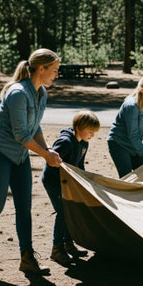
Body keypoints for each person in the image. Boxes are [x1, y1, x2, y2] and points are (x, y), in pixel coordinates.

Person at [0, 48, 62, 279]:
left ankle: (27, 258)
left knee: (24, 208)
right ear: (42, 68)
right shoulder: (18, 92)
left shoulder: (41, 93)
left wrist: (48, 150)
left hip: (20, 156)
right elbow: (21, 134)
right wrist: (45, 156)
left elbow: (35, 128)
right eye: (55, 70)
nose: (56, 75)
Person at [41, 110, 100, 265]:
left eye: (94, 132)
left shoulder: (84, 143)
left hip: (68, 182)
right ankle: (56, 248)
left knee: (70, 210)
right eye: (90, 132)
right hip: (54, 182)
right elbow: (52, 163)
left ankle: (68, 244)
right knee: (63, 212)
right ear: (79, 127)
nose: (92, 135)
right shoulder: (65, 142)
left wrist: (84, 180)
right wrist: (65, 178)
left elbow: (79, 164)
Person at [107, 74, 143, 178]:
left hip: (134, 145)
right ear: (142, 89)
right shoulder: (131, 106)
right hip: (119, 144)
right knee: (126, 177)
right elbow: (133, 134)